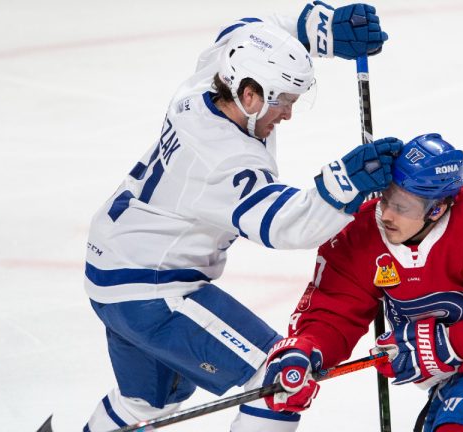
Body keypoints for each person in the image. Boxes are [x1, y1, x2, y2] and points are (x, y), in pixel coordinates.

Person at [82, 3, 399, 431]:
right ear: (249, 94)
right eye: (282, 101)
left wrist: (319, 28)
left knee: (146, 404)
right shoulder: (222, 159)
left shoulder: (213, 77)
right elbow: (283, 224)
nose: (286, 113)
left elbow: (254, 27)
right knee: (282, 381)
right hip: (151, 290)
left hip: (112, 269)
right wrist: (346, 182)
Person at [263, 133, 463, 431]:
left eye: (403, 207)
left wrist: (441, 345)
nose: (388, 215)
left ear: (437, 209)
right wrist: (306, 350)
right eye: (387, 198)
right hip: (456, 374)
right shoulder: (361, 233)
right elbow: (333, 312)